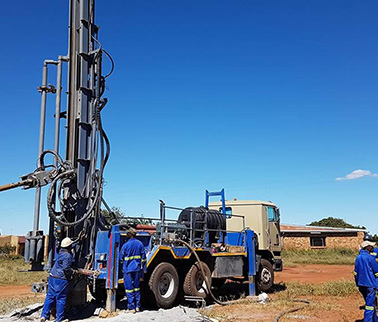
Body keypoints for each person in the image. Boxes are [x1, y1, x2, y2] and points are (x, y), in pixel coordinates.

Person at [41, 237, 76, 322]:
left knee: (50, 297)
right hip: (61, 279)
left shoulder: (61, 252)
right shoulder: (67, 256)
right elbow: (66, 268)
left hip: (52, 277)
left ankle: (44, 316)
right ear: (69, 246)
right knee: (61, 298)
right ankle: (59, 319)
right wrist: (73, 271)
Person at [119, 228, 146, 313]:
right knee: (137, 288)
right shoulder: (140, 244)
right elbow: (144, 258)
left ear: (129, 235)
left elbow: (120, 259)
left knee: (129, 289)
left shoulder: (125, 245)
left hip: (128, 270)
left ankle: (131, 308)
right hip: (137, 269)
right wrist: (144, 269)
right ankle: (137, 306)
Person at [354, 240, 378, 322]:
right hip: (370, 285)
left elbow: (355, 273)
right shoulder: (370, 258)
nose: (373, 248)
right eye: (371, 246)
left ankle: (375, 319)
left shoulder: (358, 258)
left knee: (370, 303)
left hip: (361, 285)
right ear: (368, 247)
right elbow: (377, 272)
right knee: (369, 306)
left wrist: (357, 283)